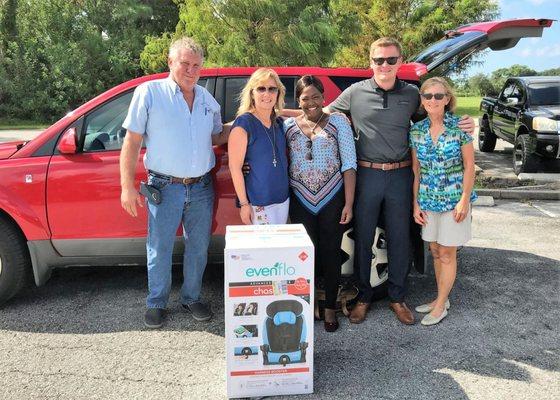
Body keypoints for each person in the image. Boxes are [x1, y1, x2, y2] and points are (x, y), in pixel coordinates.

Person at [326, 37, 475, 325]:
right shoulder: (354, 93)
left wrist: (464, 120)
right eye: (379, 60)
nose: (385, 65)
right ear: (370, 62)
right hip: (366, 174)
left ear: (399, 62)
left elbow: (437, 115)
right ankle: (364, 297)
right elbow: (320, 115)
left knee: (399, 238)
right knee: (364, 237)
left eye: (391, 60)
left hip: (401, 175)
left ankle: (397, 297)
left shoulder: (412, 94)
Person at [120, 37, 229, 329]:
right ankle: (156, 302)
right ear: (170, 63)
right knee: (160, 246)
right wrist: (126, 186)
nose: (191, 70)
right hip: (164, 187)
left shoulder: (207, 100)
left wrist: (251, 119)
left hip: (202, 187)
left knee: (198, 247)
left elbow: (217, 136)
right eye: (185, 64)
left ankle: (191, 297)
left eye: (196, 65)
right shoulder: (150, 93)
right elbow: (131, 140)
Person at [284, 75, 356, 332]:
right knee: (305, 256)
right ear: (298, 100)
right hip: (300, 198)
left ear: (324, 98)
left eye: (316, 97)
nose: (311, 102)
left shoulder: (338, 123)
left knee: (330, 253)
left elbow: (349, 164)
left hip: (332, 197)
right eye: (305, 98)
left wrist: (349, 202)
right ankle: (308, 304)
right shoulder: (289, 127)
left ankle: (329, 308)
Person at [410, 77, 477, 326]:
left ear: (447, 99)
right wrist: (416, 204)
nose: (433, 100)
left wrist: (464, 201)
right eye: (428, 96)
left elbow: (470, 167)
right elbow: (417, 171)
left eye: (439, 96)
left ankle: (440, 306)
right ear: (422, 100)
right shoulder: (416, 131)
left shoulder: (460, 127)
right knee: (436, 252)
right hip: (428, 200)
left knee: (448, 253)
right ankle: (441, 297)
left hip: (453, 200)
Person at [228, 68, 289, 225]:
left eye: (272, 89)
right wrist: (244, 204)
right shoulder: (244, 124)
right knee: (264, 248)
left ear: (278, 93)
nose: (267, 94)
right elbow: (235, 168)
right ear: (252, 93)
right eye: (261, 88)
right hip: (257, 203)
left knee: (278, 248)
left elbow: (302, 115)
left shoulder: (279, 123)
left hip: (283, 200)